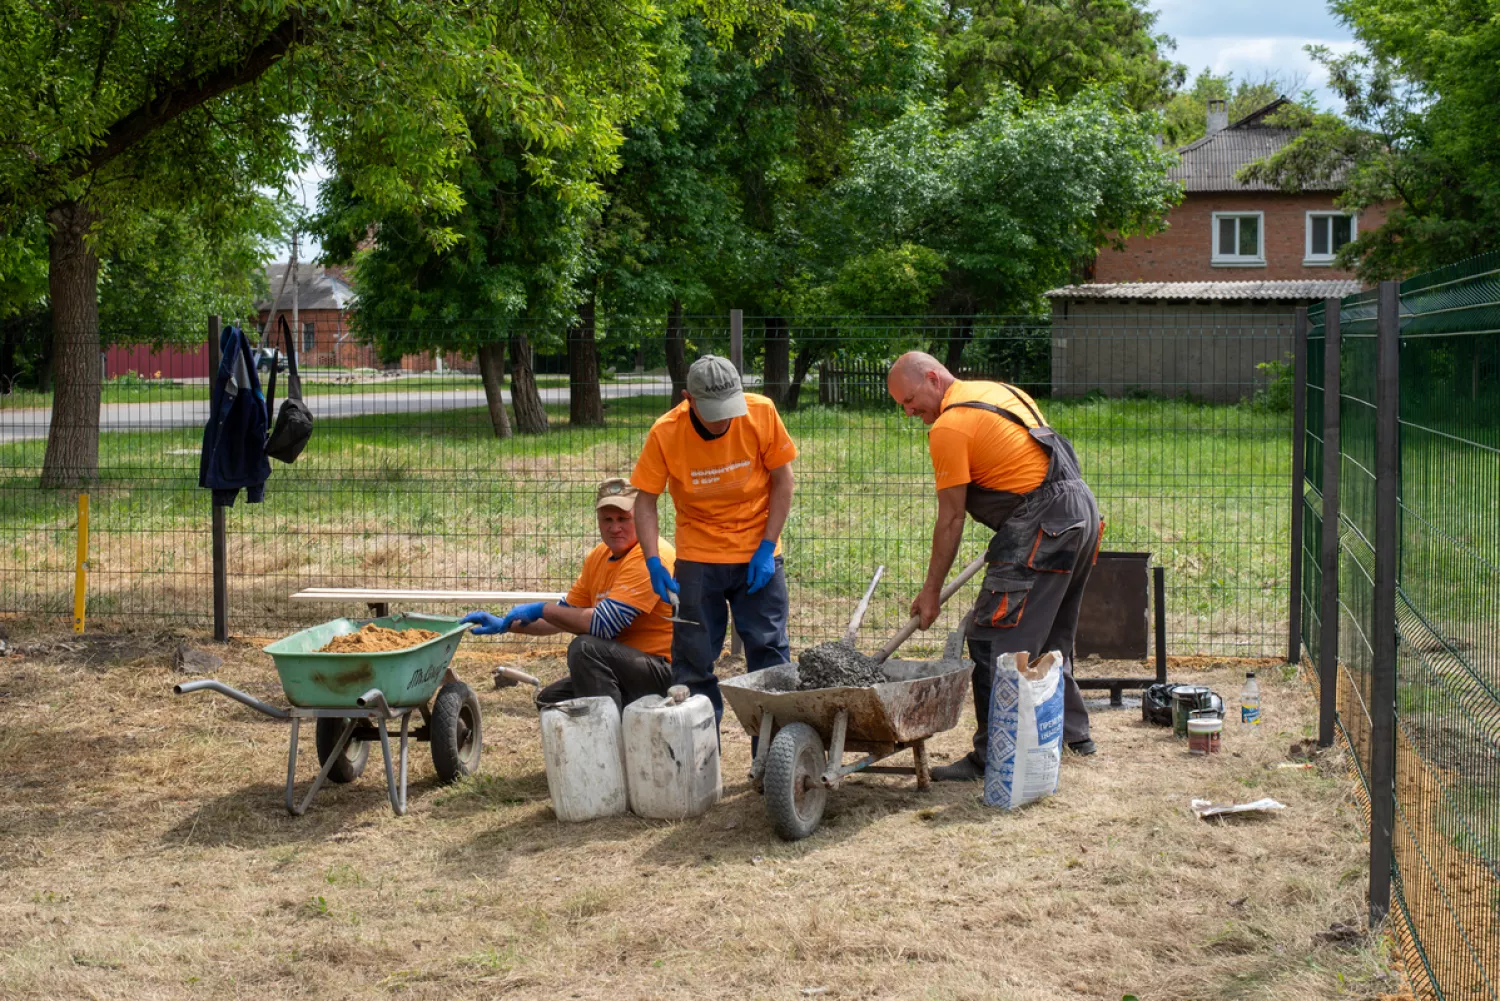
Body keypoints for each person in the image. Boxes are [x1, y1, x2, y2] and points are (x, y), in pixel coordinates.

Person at [887, 351, 1101, 780]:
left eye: (911, 400)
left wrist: (931, 592)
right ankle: (1072, 734)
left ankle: (992, 757)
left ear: (933, 378)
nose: (910, 412)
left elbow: (950, 518)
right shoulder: (998, 392)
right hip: (1081, 514)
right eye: (903, 407)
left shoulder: (949, 426)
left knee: (990, 635)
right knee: (1050, 633)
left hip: (1044, 526)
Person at [631, 355, 797, 723]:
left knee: (769, 655)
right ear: (688, 398)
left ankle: (773, 761)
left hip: (758, 551)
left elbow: (783, 482)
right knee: (692, 661)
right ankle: (699, 763)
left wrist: (768, 547)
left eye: (729, 408)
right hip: (699, 556)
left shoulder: (762, 413)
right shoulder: (666, 432)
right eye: (713, 410)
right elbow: (645, 500)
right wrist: (654, 562)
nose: (724, 419)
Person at [460, 478, 676, 711]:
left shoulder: (651, 556)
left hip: (661, 670)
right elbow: (564, 615)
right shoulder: (599, 557)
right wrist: (506, 624)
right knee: (550, 701)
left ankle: (609, 733)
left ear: (641, 519)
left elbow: (604, 625)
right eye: (607, 519)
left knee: (585, 649)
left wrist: (542, 608)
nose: (615, 528)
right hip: (623, 667)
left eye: (623, 519)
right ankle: (622, 712)